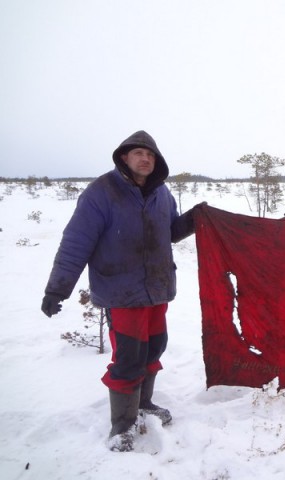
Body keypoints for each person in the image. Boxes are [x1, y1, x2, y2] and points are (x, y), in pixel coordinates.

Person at [41, 130, 200, 451]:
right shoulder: (101, 192)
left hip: (156, 290)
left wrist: (196, 219)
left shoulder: (161, 193)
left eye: (151, 155)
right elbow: (76, 243)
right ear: (124, 157)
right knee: (129, 358)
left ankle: (144, 403)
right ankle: (122, 425)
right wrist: (57, 289)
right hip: (121, 292)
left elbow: (170, 232)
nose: (146, 159)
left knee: (155, 348)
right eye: (139, 153)